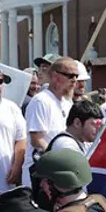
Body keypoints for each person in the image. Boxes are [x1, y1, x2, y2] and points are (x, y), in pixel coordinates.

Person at [22, 57, 77, 187]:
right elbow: (37, 140)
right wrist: (60, 160)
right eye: (70, 75)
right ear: (55, 76)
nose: (74, 80)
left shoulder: (67, 102)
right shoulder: (41, 101)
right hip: (40, 173)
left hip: (61, 172)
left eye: (76, 76)